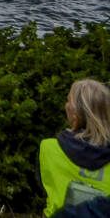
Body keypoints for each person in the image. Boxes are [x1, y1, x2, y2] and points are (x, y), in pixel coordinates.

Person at [39, 79, 110, 216]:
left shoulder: (48, 148)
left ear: (74, 113)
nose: (66, 105)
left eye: (68, 100)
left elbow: (45, 186)